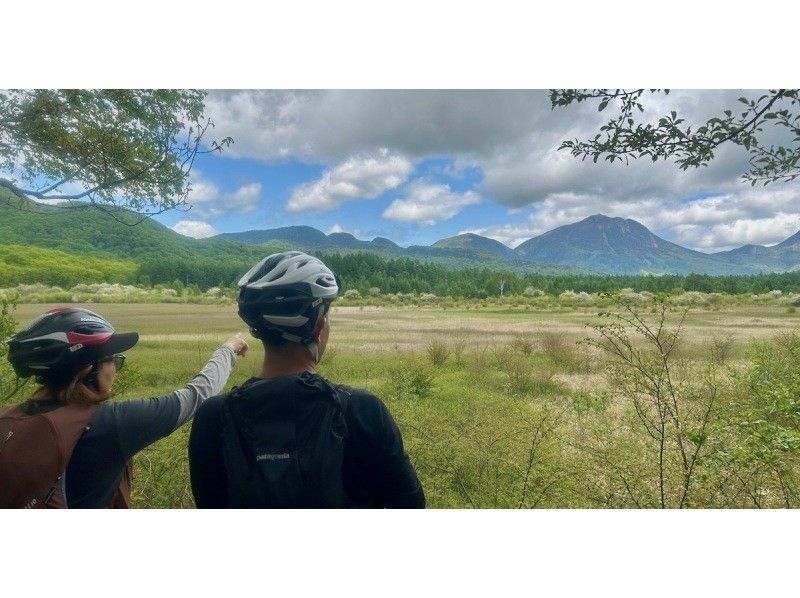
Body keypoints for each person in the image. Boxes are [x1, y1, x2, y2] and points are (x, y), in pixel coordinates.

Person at [188, 251, 425, 508]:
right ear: (318, 328)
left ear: (259, 330)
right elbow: (410, 504)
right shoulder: (363, 410)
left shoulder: (213, 417)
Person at [0, 306, 248, 508]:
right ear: (89, 369)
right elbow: (196, 395)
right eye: (113, 360)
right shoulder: (110, 424)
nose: (115, 370)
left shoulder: (8, 417)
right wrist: (228, 350)